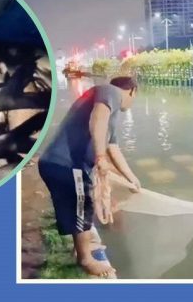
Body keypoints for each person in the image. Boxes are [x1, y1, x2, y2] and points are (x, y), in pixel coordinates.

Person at [38, 76, 141, 277]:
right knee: (82, 206)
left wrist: (131, 177)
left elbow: (113, 147)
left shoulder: (110, 111)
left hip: (63, 165)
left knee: (79, 204)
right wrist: (100, 157)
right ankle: (85, 259)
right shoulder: (109, 92)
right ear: (132, 91)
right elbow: (98, 117)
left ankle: (81, 249)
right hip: (66, 164)